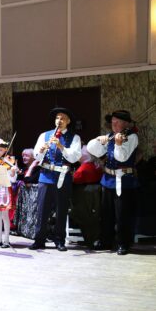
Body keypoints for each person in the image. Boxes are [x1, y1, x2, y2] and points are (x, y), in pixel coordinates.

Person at [87, 110, 139, 255]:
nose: (114, 124)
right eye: (113, 122)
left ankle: (123, 243)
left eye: (117, 122)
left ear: (126, 123)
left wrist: (118, 144)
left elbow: (122, 158)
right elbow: (93, 150)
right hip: (108, 180)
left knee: (122, 214)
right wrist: (99, 140)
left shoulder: (132, 137)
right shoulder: (110, 136)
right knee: (106, 213)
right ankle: (105, 241)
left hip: (124, 181)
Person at [30, 107, 82, 251]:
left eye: (63, 118)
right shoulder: (44, 135)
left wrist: (60, 146)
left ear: (68, 121)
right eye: (57, 118)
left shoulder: (74, 138)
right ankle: (39, 239)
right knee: (42, 209)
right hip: (45, 175)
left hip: (63, 176)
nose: (59, 121)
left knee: (61, 209)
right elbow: (36, 155)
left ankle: (59, 240)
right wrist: (41, 151)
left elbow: (74, 157)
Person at [70, 145, 103, 248]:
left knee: (81, 215)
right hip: (95, 196)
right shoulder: (96, 165)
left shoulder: (85, 167)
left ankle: (90, 239)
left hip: (85, 197)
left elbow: (75, 179)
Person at [15, 148, 41, 239]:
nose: (24, 157)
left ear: (34, 157)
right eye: (23, 155)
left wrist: (31, 167)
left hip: (34, 199)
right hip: (25, 199)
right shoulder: (24, 168)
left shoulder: (38, 168)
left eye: (26, 156)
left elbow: (27, 181)